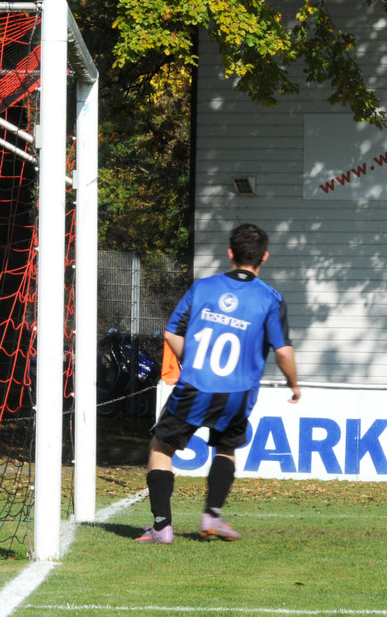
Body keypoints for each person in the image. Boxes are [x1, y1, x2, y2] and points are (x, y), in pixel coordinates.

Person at [136, 223, 301, 544]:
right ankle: (211, 514)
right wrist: (294, 384)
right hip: (238, 393)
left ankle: (162, 527)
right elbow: (283, 351)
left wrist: (194, 361)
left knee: (161, 447)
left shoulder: (203, 288)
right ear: (264, 257)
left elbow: (171, 332)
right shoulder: (271, 299)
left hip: (196, 385)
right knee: (226, 447)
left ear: (230, 253)